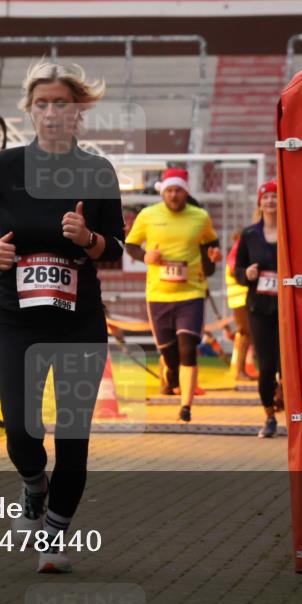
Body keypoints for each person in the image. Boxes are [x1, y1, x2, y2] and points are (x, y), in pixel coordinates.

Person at [0, 60, 125, 574]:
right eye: (42, 104)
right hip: (17, 317)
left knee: (73, 437)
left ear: (78, 111)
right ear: (29, 111)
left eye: (61, 103)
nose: (51, 113)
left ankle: (54, 534)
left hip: (78, 320)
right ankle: (33, 484)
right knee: (20, 430)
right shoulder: (7, 166)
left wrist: (88, 239)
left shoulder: (98, 171)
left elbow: (116, 251)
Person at [124, 167, 220, 422]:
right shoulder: (148, 215)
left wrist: (213, 258)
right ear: (163, 193)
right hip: (159, 294)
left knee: (188, 348)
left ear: (185, 191)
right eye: (169, 191)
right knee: (169, 354)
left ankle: (186, 407)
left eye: (178, 190)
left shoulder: (200, 217)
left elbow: (211, 245)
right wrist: (146, 256)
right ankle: (172, 376)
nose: (174, 195)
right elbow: (131, 245)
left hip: (191, 292)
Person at [234, 180, 281, 438]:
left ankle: (292, 409)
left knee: (288, 365)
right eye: (266, 197)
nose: (270, 201)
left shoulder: (290, 230)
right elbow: (237, 270)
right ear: (260, 202)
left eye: (275, 197)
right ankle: (269, 415)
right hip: (260, 308)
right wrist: (247, 273)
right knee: (266, 365)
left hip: (287, 308)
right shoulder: (250, 234)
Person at [224, 230, 257, 381]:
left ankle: (240, 369)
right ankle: (240, 371)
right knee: (245, 333)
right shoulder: (237, 252)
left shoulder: (235, 253)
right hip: (241, 298)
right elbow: (234, 270)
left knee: (245, 334)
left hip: (239, 298)